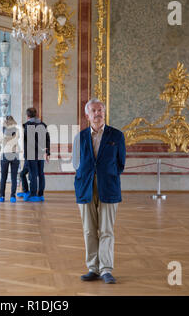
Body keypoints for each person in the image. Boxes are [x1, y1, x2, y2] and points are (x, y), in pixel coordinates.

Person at [72, 98, 126, 284]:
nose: (97, 113)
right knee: (89, 230)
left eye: (100, 110)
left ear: (104, 113)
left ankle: (106, 269)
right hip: (85, 187)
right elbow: (75, 163)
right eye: (94, 110)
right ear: (87, 115)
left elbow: (120, 164)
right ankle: (92, 268)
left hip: (108, 187)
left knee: (106, 230)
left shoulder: (116, 136)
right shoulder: (80, 137)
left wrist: (105, 175)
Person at [23, 107, 50, 202]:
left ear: (28, 116)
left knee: (33, 174)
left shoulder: (29, 125)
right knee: (41, 174)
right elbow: (47, 139)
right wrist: (47, 152)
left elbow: (30, 142)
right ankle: (41, 195)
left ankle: (33, 195)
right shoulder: (43, 124)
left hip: (31, 153)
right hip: (41, 153)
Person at [0, 116, 20, 203]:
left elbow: (0, 140)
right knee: (14, 177)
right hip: (15, 153)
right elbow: (17, 139)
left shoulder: (3, 130)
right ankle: (13, 196)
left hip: (5, 154)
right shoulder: (16, 130)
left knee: (3, 177)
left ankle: (2, 196)